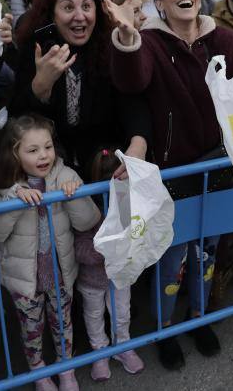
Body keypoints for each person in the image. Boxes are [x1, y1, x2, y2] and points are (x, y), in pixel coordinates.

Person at [102, 0, 233, 370]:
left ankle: (198, 318)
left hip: (219, 167)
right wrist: (128, 36)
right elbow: (132, 82)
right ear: (159, 0)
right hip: (174, 171)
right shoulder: (150, 40)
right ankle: (165, 329)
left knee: (208, 252)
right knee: (173, 259)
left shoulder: (222, 37)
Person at [0, 114, 99, 391]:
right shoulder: (2, 187)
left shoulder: (66, 175)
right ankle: (39, 372)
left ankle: (66, 368)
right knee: (31, 328)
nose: (43, 155)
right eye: (32, 150)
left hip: (60, 271)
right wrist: (13, 201)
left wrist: (73, 196)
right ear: (13, 153)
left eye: (48, 147)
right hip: (23, 278)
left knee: (63, 323)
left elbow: (88, 221)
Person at [10, 0, 150, 181]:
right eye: (68, 8)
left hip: (105, 167)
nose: (79, 16)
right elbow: (17, 117)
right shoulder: (37, 51)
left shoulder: (110, 47)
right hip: (53, 173)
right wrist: (39, 88)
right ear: (52, 15)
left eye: (86, 7)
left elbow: (132, 100)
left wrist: (138, 145)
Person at [73, 150, 145, 382]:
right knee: (94, 317)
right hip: (92, 280)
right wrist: (104, 251)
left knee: (122, 313)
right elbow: (79, 248)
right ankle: (100, 353)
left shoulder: (129, 204)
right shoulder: (86, 210)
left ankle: (123, 347)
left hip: (120, 276)